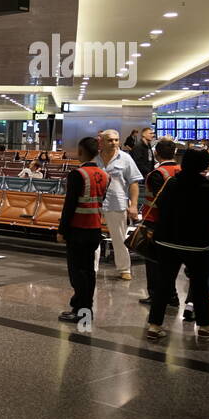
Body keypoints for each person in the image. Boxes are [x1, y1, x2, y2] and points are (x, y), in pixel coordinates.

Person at [144, 149, 209, 341]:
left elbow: (160, 206)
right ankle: (204, 326)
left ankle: (154, 326)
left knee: (164, 284)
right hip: (196, 245)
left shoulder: (171, 183)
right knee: (199, 285)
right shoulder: (208, 187)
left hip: (167, 241)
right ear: (204, 166)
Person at [57, 137, 110, 324]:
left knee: (76, 272)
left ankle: (80, 309)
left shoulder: (77, 174)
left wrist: (61, 230)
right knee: (88, 271)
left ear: (81, 152)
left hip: (77, 229)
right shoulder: (105, 175)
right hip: (95, 228)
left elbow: (69, 205)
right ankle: (85, 308)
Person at [92, 129, 142, 281]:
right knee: (93, 237)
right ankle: (92, 268)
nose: (114, 143)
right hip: (96, 203)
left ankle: (124, 269)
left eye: (116, 140)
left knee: (119, 238)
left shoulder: (125, 159)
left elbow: (133, 183)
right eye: (110, 140)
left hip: (118, 202)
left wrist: (133, 205)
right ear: (102, 141)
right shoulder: (94, 159)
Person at [138, 137, 181, 309]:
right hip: (176, 224)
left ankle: (156, 295)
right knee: (170, 262)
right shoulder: (182, 170)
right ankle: (172, 295)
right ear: (175, 153)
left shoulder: (156, 174)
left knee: (153, 261)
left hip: (155, 223)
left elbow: (159, 201)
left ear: (156, 154)